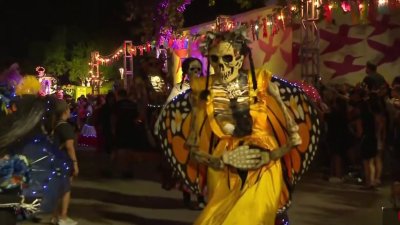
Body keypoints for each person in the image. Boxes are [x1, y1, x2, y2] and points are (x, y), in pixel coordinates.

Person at [155, 27, 321, 225]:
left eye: (227, 59)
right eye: (214, 60)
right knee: (219, 217)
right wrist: (220, 159)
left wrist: (277, 150)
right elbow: (192, 147)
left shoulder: (260, 80)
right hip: (223, 163)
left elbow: (292, 129)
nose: (220, 66)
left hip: (263, 160)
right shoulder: (202, 89)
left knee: (255, 214)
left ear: (240, 59)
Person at [49, 99, 79, 225]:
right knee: (66, 190)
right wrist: (75, 163)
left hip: (55, 160)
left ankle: (54, 216)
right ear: (65, 111)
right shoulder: (65, 127)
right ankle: (63, 217)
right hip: (65, 161)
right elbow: (69, 146)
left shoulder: (54, 126)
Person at [111, 89, 140, 178]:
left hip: (121, 129)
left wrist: (113, 130)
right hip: (131, 130)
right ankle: (130, 170)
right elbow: (137, 118)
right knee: (130, 150)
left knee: (121, 150)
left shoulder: (117, 105)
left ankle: (123, 170)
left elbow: (113, 118)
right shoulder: (132, 105)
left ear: (118, 95)